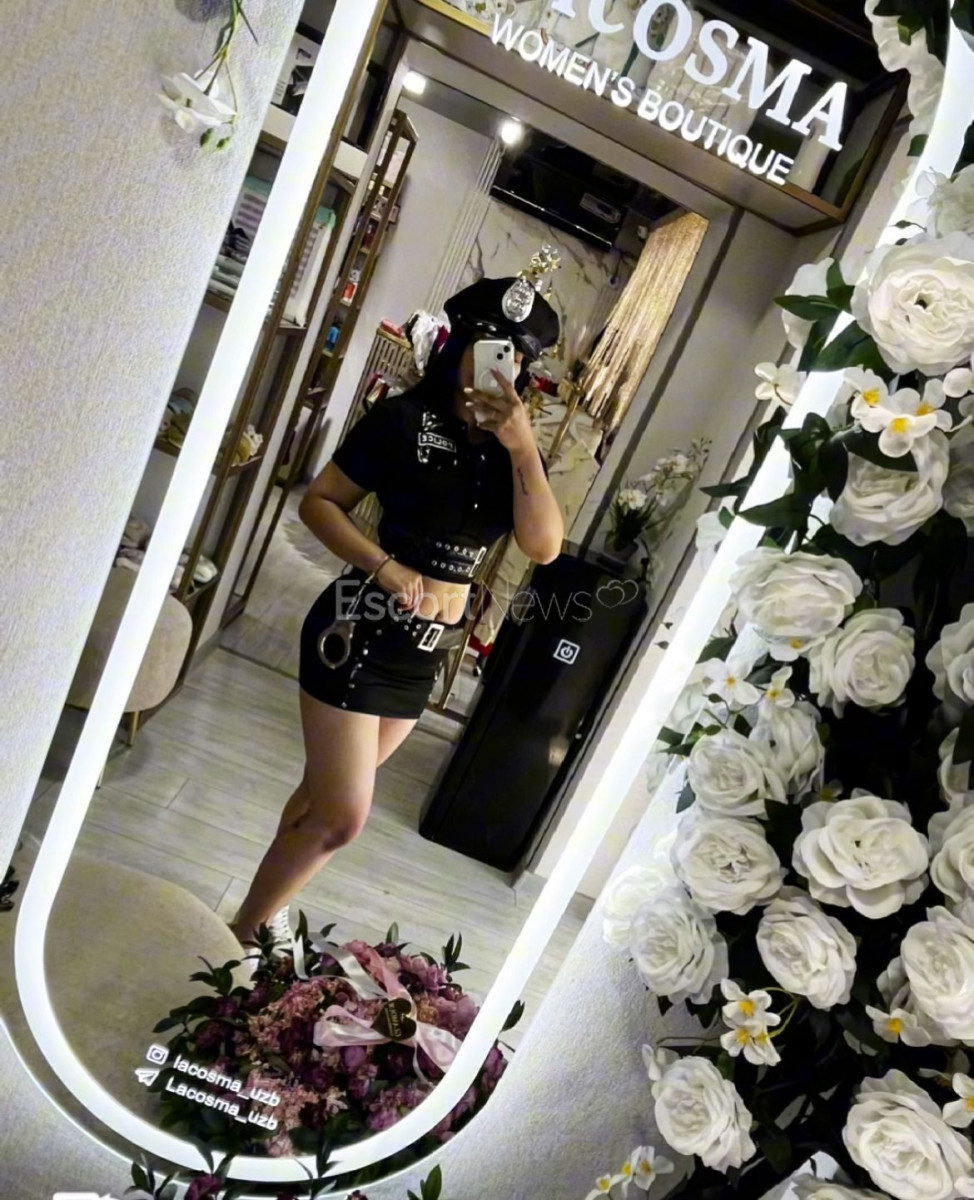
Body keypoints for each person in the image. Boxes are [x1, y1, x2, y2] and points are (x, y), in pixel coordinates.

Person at [229, 274, 565, 946]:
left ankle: (258, 913)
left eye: (519, 355)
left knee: (318, 800)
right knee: (343, 817)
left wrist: (523, 446)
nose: (505, 365)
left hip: (422, 653)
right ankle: (247, 931)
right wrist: (384, 565)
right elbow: (318, 502)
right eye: (493, 346)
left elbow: (544, 546)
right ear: (460, 343)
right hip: (359, 627)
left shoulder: (512, 452)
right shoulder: (402, 420)